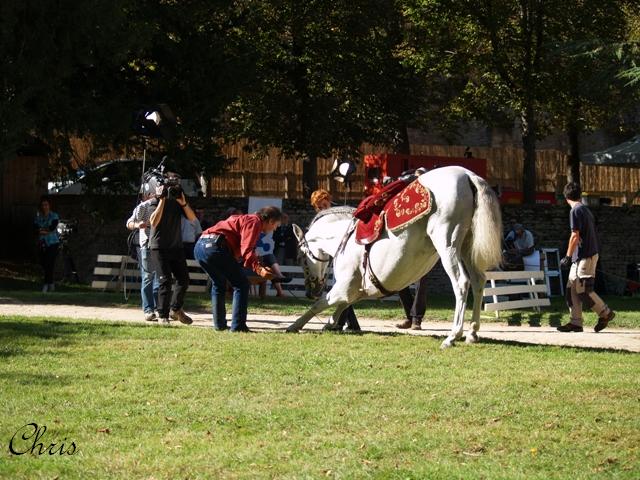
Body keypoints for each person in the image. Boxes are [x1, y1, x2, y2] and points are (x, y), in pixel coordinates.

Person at [194, 206, 283, 332]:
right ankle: (238, 327)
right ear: (271, 221)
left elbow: (241, 249)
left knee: (218, 284)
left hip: (200, 247)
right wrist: (259, 270)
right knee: (241, 284)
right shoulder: (254, 221)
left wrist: (257, 264)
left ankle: (219, 325)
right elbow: (247, 249)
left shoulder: (244, 218)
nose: (274, 229)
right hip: (216, 248)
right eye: (276, 226)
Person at [557, 182, 615, 333]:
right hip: (582, 257)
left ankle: (605, 313)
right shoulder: (585, 210)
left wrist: (567, 256)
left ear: (566, 197)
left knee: (583, 289)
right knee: (571, 289)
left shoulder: (575, 211)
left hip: (586, 256)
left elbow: (574, 236)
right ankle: (576, 322)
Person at [310, 189, 361, 332]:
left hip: (346, 256)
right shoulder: (319, 220)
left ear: (329, 201)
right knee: (343, 290)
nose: (321, 209)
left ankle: (342, 324)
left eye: (324, 205)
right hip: (331, 258)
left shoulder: (339, 213)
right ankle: (351, 325)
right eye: (318, 207)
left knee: (343, 289)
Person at [149, 174, 196, 326]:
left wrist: (183, 203)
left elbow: (192, 218)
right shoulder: (155, 200)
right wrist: (162, 199)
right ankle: (162, 315)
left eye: (175, 185)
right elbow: (153, 222)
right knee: (165, 280)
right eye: (170, 185)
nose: (172, 189)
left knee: (184, 279)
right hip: (159, 247)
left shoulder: (178, 201)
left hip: (176, 246)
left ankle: (175, 309)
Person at [126, 194, 160, 321]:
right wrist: (137, 225)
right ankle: (148, 309)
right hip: (147, 245)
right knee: (148, 277)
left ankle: (159, 308)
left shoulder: (165, 205)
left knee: (160, 278)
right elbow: (129, 222)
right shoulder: (143, 206)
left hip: (161, 246)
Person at [34, 196, 60, 292]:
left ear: (49, 205)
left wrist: (43, 230)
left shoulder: (54, 216)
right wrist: (43, 230)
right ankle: (51, 282)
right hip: (42, 243)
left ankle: (46, 284)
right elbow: (35, 229)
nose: (44, 207)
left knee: (50, 263)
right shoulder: (38, 217)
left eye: (46, 205)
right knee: (44, 263)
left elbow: (52, 228)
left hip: (53, 242)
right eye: (43, 205)